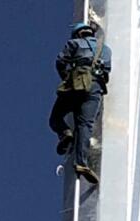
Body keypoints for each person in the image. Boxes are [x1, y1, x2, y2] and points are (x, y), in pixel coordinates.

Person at [49, 22, 112, 185]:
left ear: (78, 34)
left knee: (55, 118)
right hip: (96, 87)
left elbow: (60, 61)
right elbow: (106, 72)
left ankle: (66, 134)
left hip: (76, 85)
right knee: (85, 125)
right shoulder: (106, 50)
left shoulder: (74, 43)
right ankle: (81, 162)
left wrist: (67, 77)